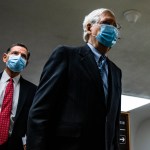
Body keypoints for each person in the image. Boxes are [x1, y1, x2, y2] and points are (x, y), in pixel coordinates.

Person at [27, 8, 122, 150]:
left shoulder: (116, 72)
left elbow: (113, 122)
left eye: (115, 26)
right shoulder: (66, 55)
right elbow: (40, 112)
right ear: (90, 27)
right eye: (107, 23)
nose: (112, 29)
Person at [0, 43, 37, 150]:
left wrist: (27, 142)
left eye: (23, 56)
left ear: (26, 63)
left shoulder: (33, 90)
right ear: (5, 57)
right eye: (15, 53)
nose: (19, 58)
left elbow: (32, 120)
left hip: (14, 144)